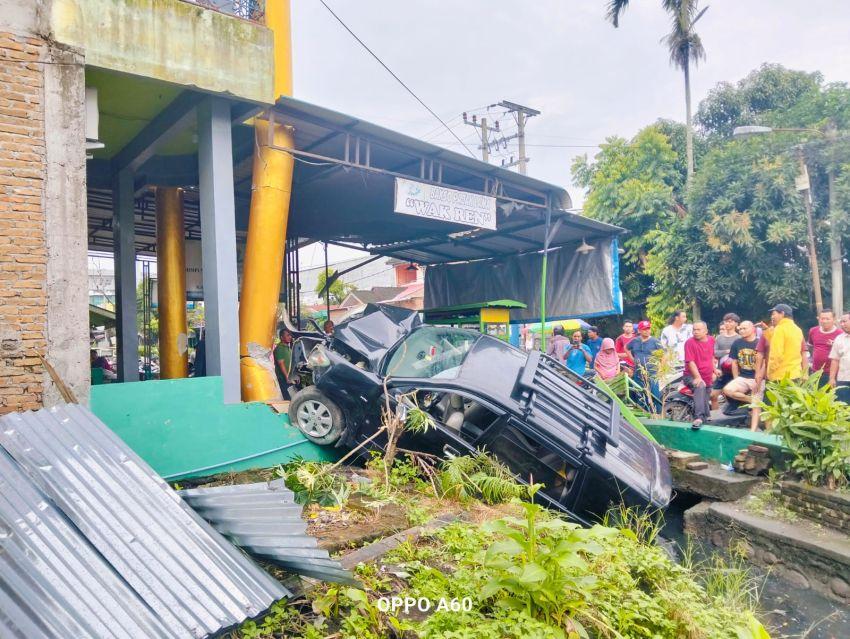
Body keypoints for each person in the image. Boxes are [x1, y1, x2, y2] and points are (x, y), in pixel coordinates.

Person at [684, 321, 716, 430]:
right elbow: (690, 362)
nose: (695, 332)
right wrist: (698, 377)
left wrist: (715, 370)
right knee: (700, 386)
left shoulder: (711, 340)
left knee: (706, 398)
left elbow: (711, 356)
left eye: (698, 330)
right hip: (691, 376)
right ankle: (698, 418)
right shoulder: (689, 342)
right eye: (694, 329)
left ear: (706, 331)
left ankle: (705, 418)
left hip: (707, 376)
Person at [765, 304, 804, 383]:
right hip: (795, 374)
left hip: (781, 376)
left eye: (773, 314)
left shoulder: (780, 329)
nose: (771, 317)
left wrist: (770, 372)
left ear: (782, 314)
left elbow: (776, 354)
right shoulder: (797, 329)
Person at [723, 320, 759, 405]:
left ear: (753, 329)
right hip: (743, 377)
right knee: (727, 390)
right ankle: (752, 400)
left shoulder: (759, 343)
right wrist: (736, 378)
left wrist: (759, 378)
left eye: (744, 328)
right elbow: (734, 362)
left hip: (757, 378)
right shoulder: (737, 343)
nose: (741, 331)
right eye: (740, 329)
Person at [627, 320, 663, 402]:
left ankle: (657, 413)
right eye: (644, 329)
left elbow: (663, 355)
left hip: (652, 373)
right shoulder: (635, 341)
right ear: (639, 330)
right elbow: (627, 348)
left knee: (654, 395)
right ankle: (643, 412)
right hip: (638, 373)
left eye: (648, 329)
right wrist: (633, 360)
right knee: (640, 395)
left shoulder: (655, 341)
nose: (647, 331)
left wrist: (660, 368)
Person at [711, 313, 740, 409]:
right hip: (721, 371)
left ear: (736, 324)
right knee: (713, 395)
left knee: (732, 397)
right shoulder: (719, 338)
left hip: (734, 372)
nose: (727, 324)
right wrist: (726, 352)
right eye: (726, 321)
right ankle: (715, 417)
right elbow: (714, 352)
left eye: (730, 322)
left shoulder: (739, 338)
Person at [808, 309, 841, 382]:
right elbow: (810, 346)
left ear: (834, 319)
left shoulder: (840, 334)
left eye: (827, 319)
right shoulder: (813, 331)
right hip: (815, 372)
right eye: (822, 319)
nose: (825, 321)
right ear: (819, 319)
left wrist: (834, 346)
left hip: (833, 374)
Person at [828, 312, 850, 404]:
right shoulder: (839, 339)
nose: (842, 324)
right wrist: (832, 378)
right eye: (841, 322)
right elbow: (835, 360)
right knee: (843, 407)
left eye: (844, 321)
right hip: (843, 380)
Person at [274, 329, 294, 399]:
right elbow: (281, 364)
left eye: (290, 335)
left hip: (290, 378)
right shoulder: (280, 348)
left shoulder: (288, 348)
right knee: (288, 399)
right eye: (287, 335)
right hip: (284, 379)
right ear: (282, 337)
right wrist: (287, 377)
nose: (290, 337)